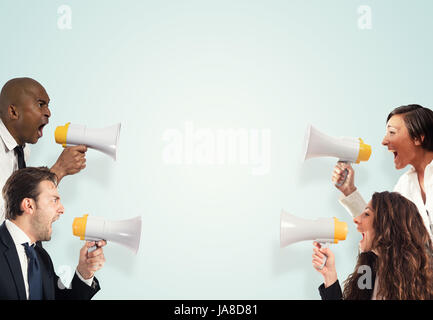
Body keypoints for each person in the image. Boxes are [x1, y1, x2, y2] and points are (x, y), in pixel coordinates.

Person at [0, 167, 106, 300]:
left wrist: (85, 271)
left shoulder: (41, 257)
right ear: (29, 205)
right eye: (54, 200)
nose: (62, 209)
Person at [333, 104, 433, 237]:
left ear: (418, 137)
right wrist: (349, 190)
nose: (384, 141)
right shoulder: (404, 186)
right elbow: (385, 235)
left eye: (392, 132)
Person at [312, 191, 433, 300]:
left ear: (386, 225)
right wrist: (330, 274)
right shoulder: (371, 271)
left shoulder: (423, 284)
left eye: (367, 214)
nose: (356, 219)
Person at [0, 77, 88, 221]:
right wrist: (58, 171)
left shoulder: (22, 149)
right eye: (41, 104)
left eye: (47, 105)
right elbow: (6, 219)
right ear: (13, 112)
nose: (48, 113)